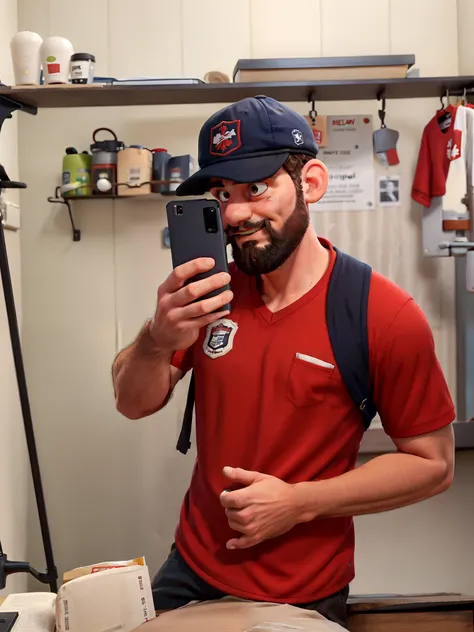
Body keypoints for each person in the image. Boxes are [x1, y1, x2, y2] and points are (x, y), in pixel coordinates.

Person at [112, 96, 455, 629]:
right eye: (221, 194)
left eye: (256, 188)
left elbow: (433, 464)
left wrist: (298, 502)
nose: (234, 214)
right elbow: (130, 403)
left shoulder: (381, 315)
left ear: (310, 183)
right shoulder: (208, 293)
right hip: (190, 567)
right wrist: (157, 339)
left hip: (304, 590)